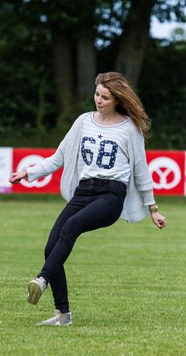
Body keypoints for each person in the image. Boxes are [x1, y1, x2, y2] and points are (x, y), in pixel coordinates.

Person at [9, 71, 167, 326]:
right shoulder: (83, 121)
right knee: (51, 247)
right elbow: (58, 158)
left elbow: (141, 170)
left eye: (105, 97)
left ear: (117, 99)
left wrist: (153, 209)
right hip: (83, 192)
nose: (99, 100)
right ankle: (63, 315)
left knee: (72, 227)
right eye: (97, 94)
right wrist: (28, 172)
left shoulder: (129, 129)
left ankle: (41, 280)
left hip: (111, 195)